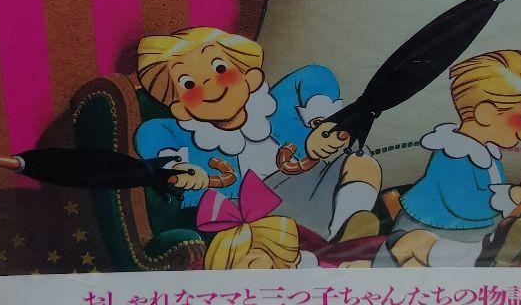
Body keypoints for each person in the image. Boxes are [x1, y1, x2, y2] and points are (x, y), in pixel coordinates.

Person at [134, 26, 381, 241]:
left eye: (220, 68)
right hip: (259, 212)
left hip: (314, 184)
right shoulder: (182, 134)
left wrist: (323, 125)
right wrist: (180, 170)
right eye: (189, 84)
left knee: (363, 162)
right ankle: (328, 243)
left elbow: (315, 75)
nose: (209, 84)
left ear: (250, 77)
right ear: (181, 108)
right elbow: (150, 134)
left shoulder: (277, 104)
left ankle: (342, 234)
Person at [380, 49, 521, 267]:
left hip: (466, 233)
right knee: (422, 246)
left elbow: (490, 198)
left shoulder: (486, 153)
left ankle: (487, 250)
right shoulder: (453, 156)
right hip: (425, 229)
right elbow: (464, 206)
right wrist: (518, 193)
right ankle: (483, 254)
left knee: (455, 252)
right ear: (486, 113)